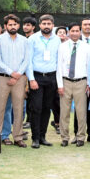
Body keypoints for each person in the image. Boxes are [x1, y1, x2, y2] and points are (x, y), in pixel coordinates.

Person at [0, 14, 29, 148]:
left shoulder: (24, 40)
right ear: (5, 26)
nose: (12, 26)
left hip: (20, 79)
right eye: (10, 24)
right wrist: (11, 73)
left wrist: (17, 74)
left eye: (15, 24)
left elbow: (27, 59)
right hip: (3, 78)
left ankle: (18, 137)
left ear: (18, 26)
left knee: (18, 109)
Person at [27, 14, 59, 148]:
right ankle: (35, 138)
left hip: (52, 78)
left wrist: (58, 81)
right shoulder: (33, 39)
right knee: (36, 108)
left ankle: (42, 137)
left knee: (47, 108)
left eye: (49, 24)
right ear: (39, 25)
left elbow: (59, 61)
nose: (46, 26)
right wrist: (31, 79)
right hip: (37, 77)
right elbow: (28, 61)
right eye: (44, 23)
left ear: (53, 25)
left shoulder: (57, 40)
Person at [56, 23, 90, 146]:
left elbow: (89, 66)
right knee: (64, 112)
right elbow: (59, 66)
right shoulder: (62, 47)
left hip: (81, 82)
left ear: (80, 32)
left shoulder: (86, 47)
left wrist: (89, 83)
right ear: (68, 32)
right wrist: (60, 85)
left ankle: (80, 137)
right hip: (65, 82)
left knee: (81, 112)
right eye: (72, 31)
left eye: (77, 31)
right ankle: (64, 138)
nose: (75, 33)